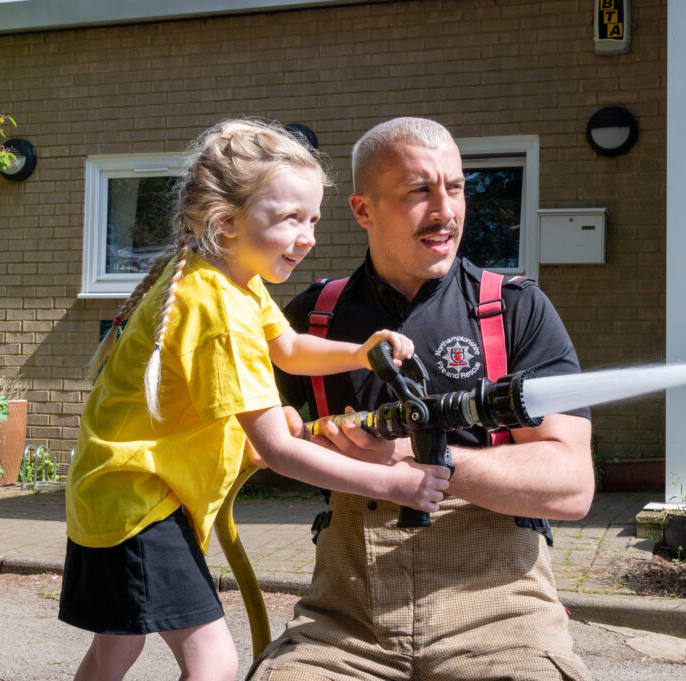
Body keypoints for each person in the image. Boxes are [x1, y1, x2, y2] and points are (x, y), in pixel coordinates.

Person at [58, 119, 452, 681]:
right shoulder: (218, 307)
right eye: (291, 218)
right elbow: (279, 450)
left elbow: (288, 348)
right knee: (213, 662)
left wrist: (361, 352)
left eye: (313, 218)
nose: (309, 235)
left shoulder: (231, 280)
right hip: (139, 505)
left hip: (118, 492)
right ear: (226, 222)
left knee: (117, 649)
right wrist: (397, 483)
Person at [248, 117, 595, 681]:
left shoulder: (514, 311)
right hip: (345, 622)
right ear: (362, 210)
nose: (446, 211)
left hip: (502, 618)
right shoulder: (311, 323)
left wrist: (416, 460)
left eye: (455, 188)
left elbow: (572, 485)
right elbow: (241, 435)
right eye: (419, 191)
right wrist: (267, 440)